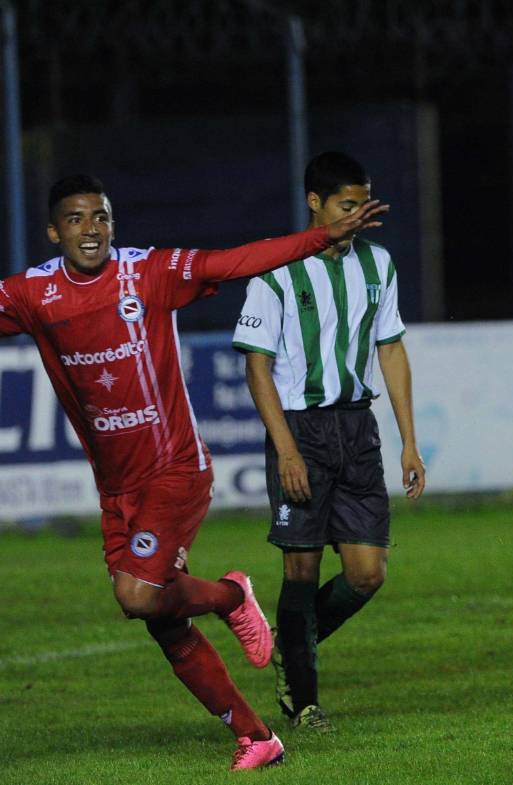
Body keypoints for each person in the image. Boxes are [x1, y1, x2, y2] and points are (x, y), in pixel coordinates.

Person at [0, 174, 387, 770]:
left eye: (100, 217)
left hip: (174, 469)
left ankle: (232, 596)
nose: (91, 229)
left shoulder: (147, 273)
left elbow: (234, 262)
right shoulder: (32, 293)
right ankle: (258, 738)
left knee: (138, 594)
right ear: (54, 232)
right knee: (162, 620)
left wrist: (319, 238)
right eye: (76, 219)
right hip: (116, 487)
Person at [233, 152, 425, 733]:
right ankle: (305, 701)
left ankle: (292, 646)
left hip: (356, 428)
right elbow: (257, 368)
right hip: (303, 432)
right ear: (315, 204)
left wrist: (409, 443)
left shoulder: (379, 265)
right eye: (348, 205)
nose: (358, 216)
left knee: (368, 572)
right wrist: (287, 449)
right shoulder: (276, 271)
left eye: (364, 204)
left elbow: (389, 349)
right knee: (301, 570)